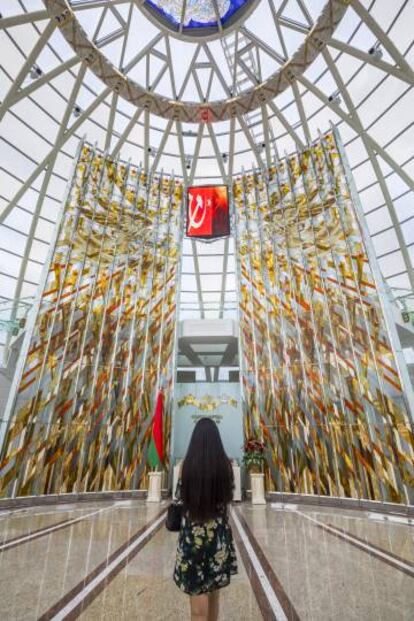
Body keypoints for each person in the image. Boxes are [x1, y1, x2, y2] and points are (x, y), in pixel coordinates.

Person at [173, 417, 238, 621]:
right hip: (218, 542)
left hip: (193, 543)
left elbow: (180, 498)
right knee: (213, 597)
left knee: (197, 609)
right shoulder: (225, 466)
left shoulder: (186, 466)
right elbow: (229, 497)